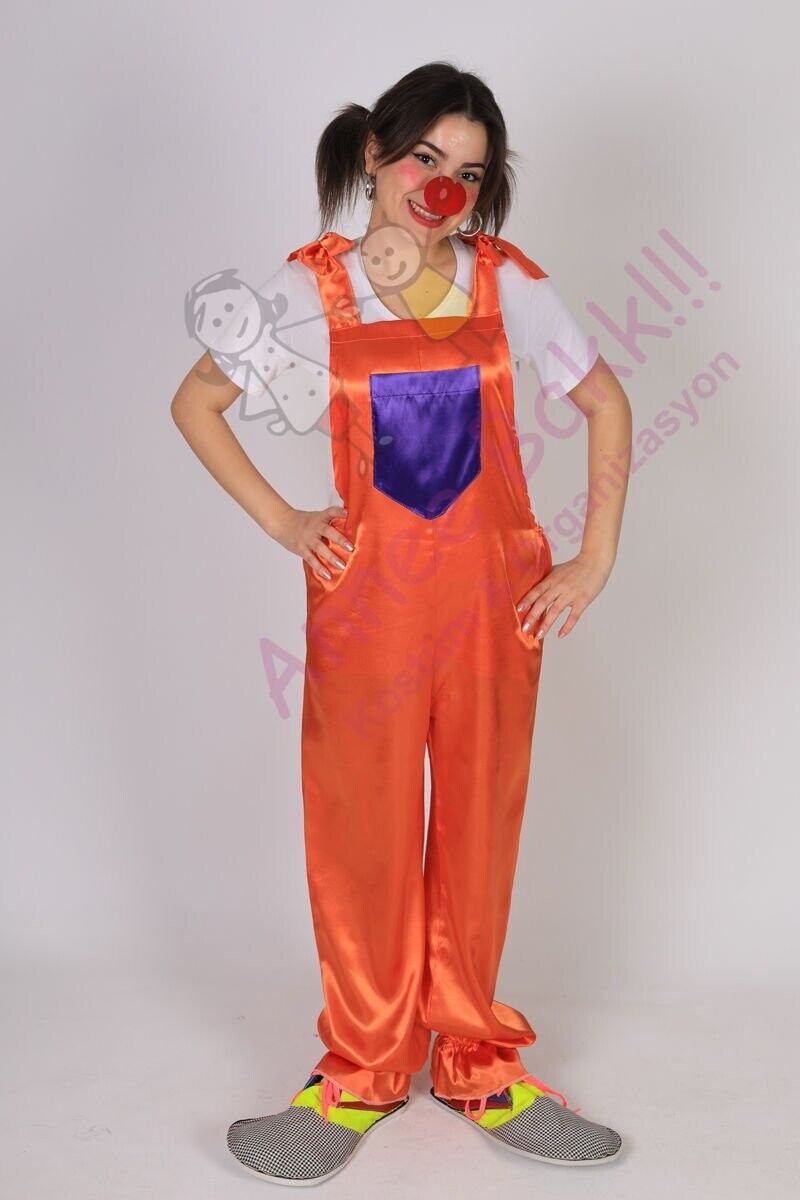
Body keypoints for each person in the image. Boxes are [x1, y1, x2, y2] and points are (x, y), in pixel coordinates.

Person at [172, 60, 632, 1187]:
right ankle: (363, 1067)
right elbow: (197, 401)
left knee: (477, 832)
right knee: (362, 835)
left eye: (466, 172)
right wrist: (287, 521)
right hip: (368, 607)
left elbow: (604, 402)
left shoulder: (507, 284)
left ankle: (477, 1062)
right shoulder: (311, 288)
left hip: (492, 605)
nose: (441, 188)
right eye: (425, 157)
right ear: (375, 156)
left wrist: (592, 558)